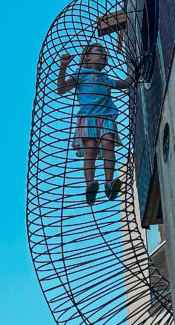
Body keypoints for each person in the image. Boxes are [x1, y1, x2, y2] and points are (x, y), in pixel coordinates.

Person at [57, 42, 133, 205]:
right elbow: (61, 89)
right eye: (100, 51)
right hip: (87, 118)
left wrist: (133, 71)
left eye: (105, 52)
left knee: (108, 144)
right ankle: (90, 184)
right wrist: (63, 67)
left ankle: (109, 182)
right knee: (90, 149)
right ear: (87, 58)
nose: (104, 54)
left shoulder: (105, 77)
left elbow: (125, 84)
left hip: (106, 116)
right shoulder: (80, 74)